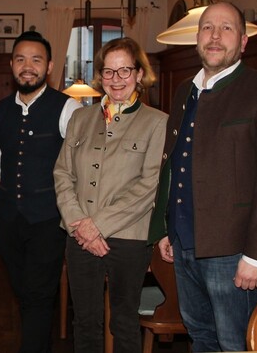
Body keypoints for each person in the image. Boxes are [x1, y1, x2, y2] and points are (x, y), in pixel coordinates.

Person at [148, 2, 257, 352]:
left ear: (244, 42)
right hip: (184, 245)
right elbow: (173, 162)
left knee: (235, 343)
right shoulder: (184, 89)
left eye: (227, 28)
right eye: (207, 28)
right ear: (197, 39)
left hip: (234, 253)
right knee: (200, 337)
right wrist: (166, 229)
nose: (215, 36)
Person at [54, 37, 167, 352]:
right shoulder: (81, 118)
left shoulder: (157, 123)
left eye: (125, 71)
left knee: (124, 322)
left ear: (139, 75)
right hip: (79, 236)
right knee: (85, 323)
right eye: (109, 71)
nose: (116, 80)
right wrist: (79, 223)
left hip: (129, 239)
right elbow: (62, 173)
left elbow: (150, 185)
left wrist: (97, 225)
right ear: (99, 75)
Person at [0, 31, 81, 352]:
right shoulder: (0, 111)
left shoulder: (68, 109)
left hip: (49, 220)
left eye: (36, 59)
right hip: (7, 220)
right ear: (11, 65)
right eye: (20, 59)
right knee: (26, 294)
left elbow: (81, 168)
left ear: (49, 66)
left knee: (37, 296)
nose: (28, 66)